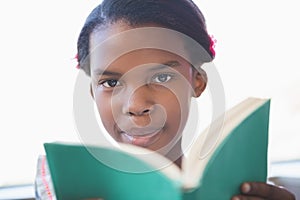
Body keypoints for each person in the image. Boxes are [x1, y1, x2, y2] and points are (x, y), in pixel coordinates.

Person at [35, 0, 295, 199]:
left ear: (197, 81)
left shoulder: (250, 189)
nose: (137, 106)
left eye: (161, 78)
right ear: (93, 91)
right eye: (111, 83)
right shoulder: (55, 190)